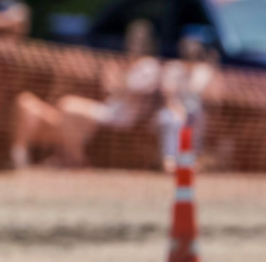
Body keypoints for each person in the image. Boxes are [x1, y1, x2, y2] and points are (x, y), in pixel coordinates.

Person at [10, 18, 191, 170]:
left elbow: (128, 89)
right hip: (111, 110)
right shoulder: (131, 64)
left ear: (149, 42)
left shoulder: (148, 65)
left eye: (139, 40)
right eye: (133, 39)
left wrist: (116, 80)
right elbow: (117, 88)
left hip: (120, 116)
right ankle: (70, 156)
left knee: (68, 105)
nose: (134, 44)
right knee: (65, 108)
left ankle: (73, 158)